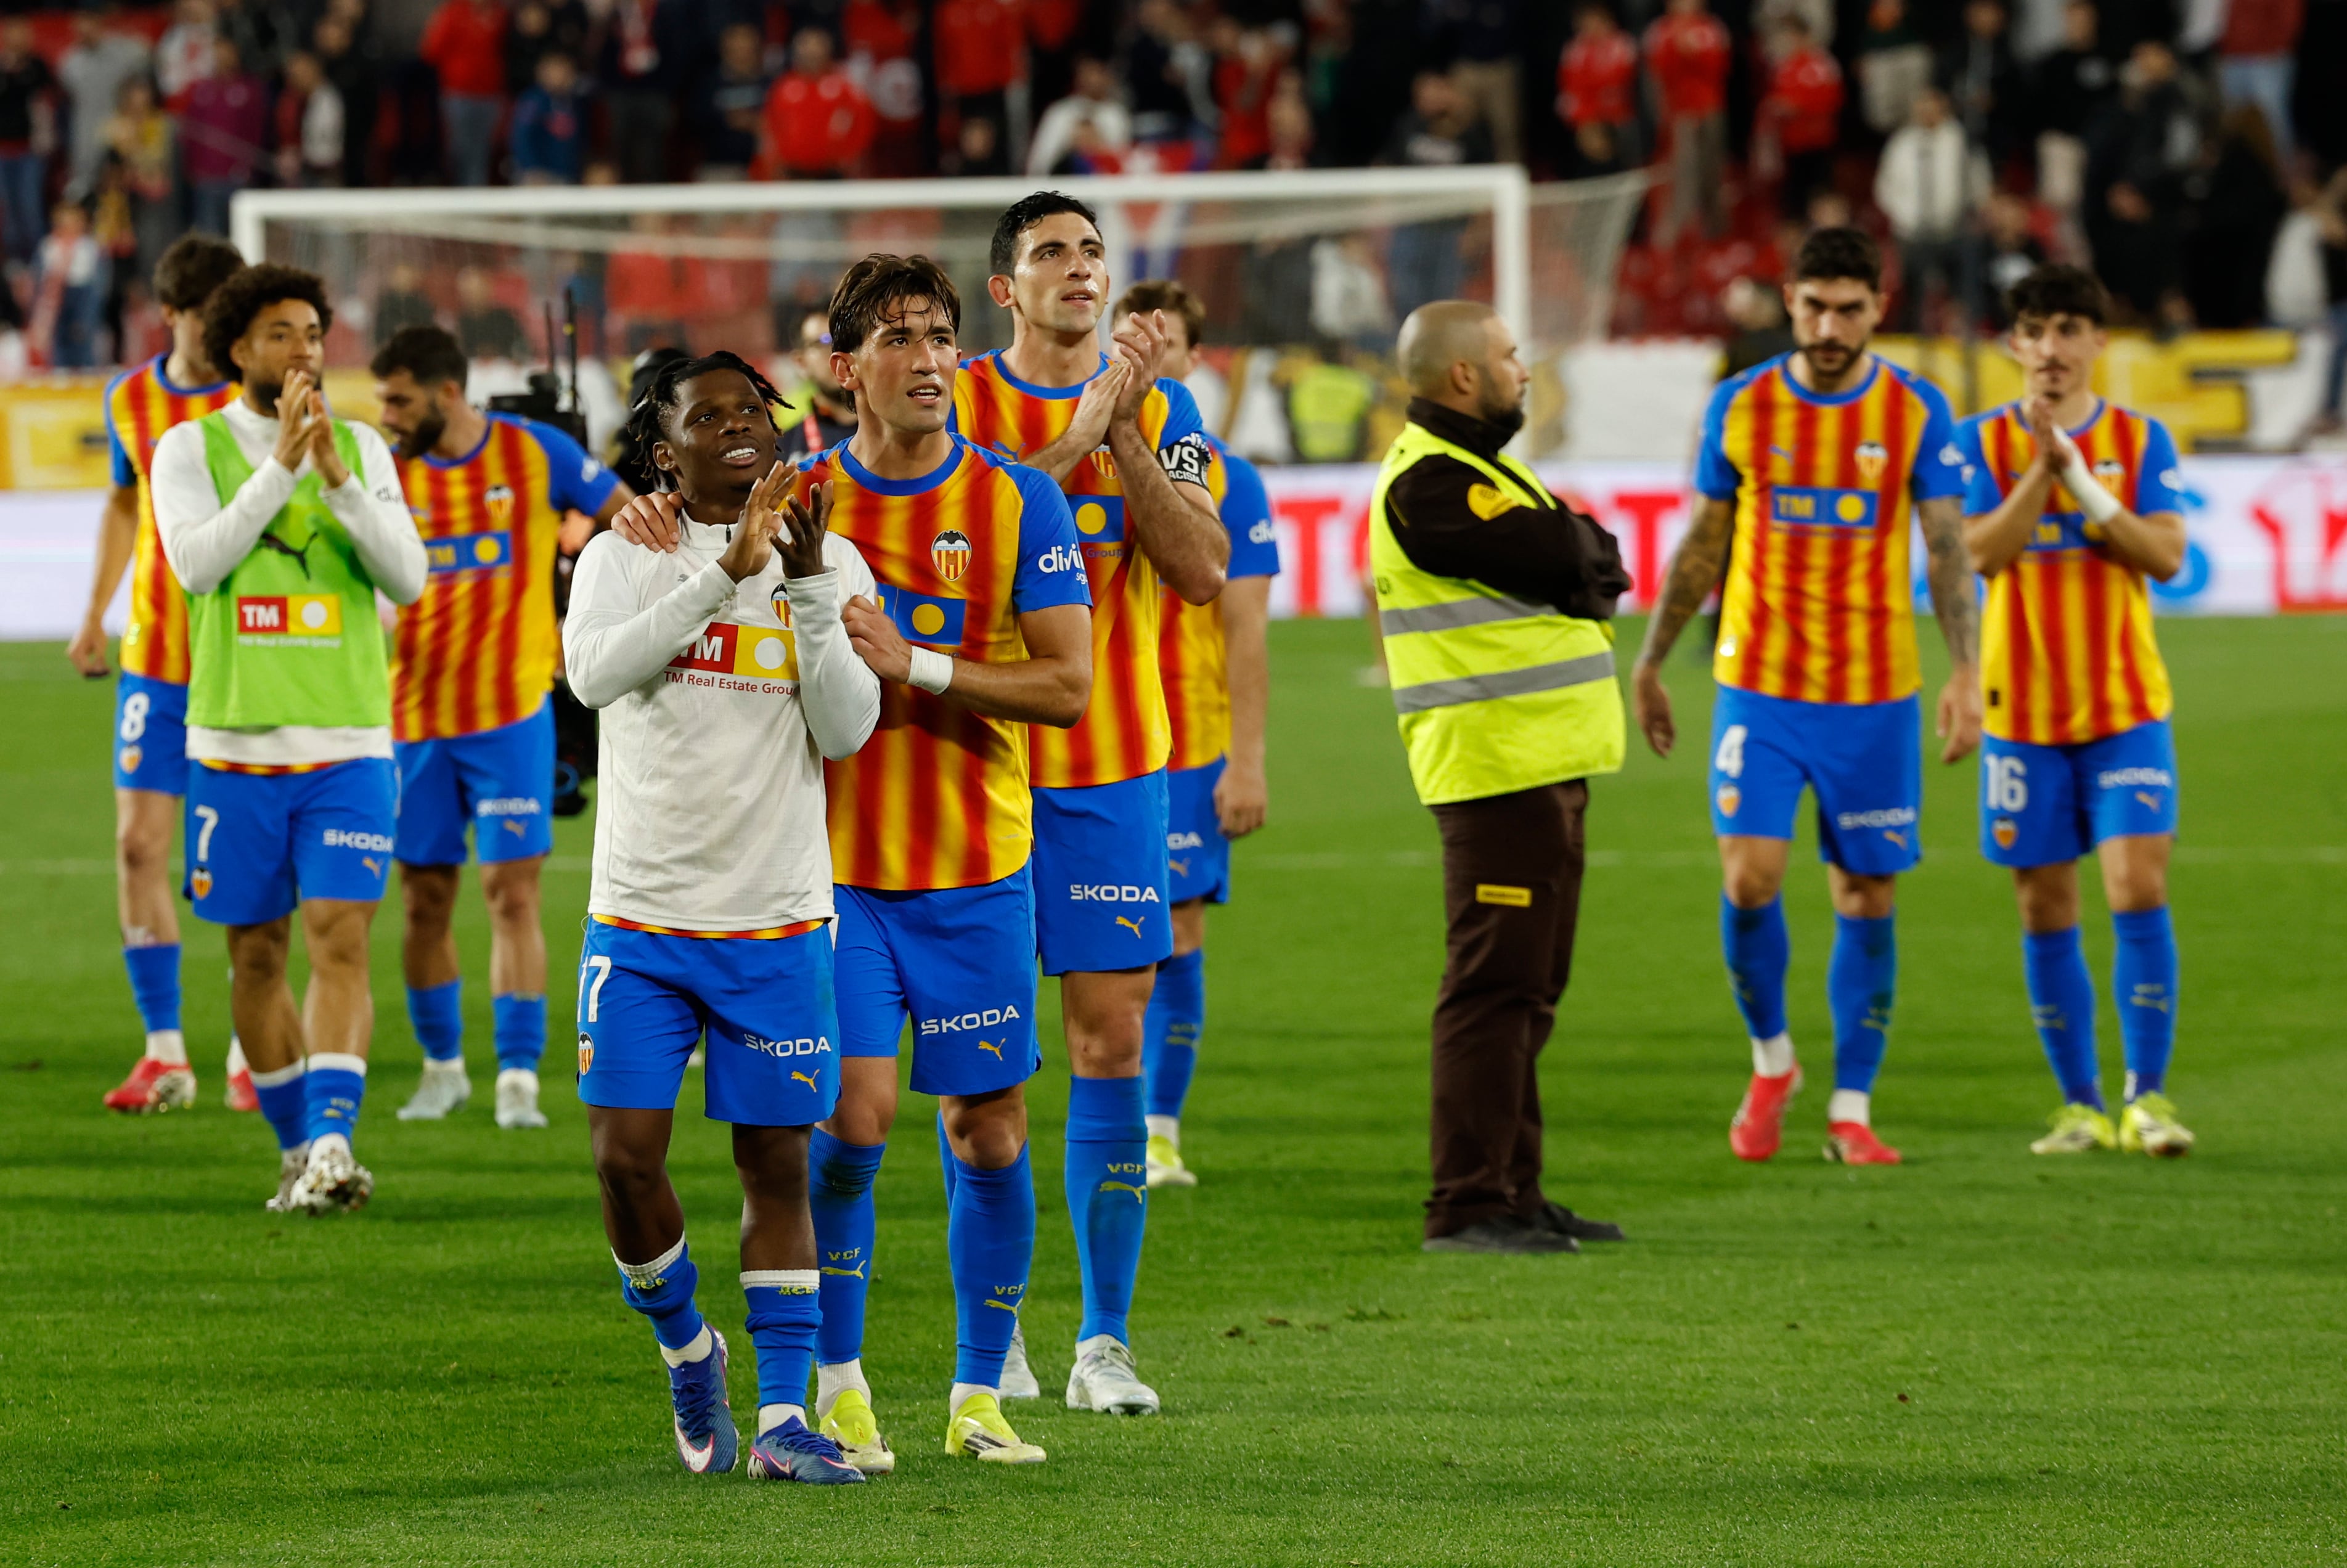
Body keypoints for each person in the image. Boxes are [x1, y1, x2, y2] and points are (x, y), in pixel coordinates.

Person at [604, 255, 1094, 1469]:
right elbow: (683, 528)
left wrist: (915, 663)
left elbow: (1068, 687)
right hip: (831, 879)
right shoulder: (786, 495)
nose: (928, 360)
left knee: (989, 1133)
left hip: (976, 860)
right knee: (851, 1125)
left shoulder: (1018, 501)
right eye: (898, 338)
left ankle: (979, 1393)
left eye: (940, 337)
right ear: (844, 366)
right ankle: (834, 1388)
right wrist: (644, 518)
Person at [563, 351, 876, 1483]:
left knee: (775, 1165)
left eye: (754, 408)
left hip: (776, 918)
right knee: (623, 1159)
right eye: (710, 415)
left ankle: (785, 1417)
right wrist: (718, 578)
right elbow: (592, 676)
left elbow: (844, 729)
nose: (741, 425)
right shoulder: (622, 552)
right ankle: (688, 1347)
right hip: (641, 917)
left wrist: (804, 587)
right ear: (666, 450)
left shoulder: (831, 555)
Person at [952, 191, 1230, 1415]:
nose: (1079, 267)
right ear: (1004, 288)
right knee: (985, 1070)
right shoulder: (953, 401)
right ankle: (994, 1338)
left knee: (1110, 1042)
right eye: (1050, 252)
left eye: (1093, 252)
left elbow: (1203, 568)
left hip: (1113, 774)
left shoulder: (1162, 413)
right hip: (970, 770)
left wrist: (1120, 431)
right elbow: (962, 541)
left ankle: (1102, 1342)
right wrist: (1072, 442)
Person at [1630, 227, 1981, 1167]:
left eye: (1849, 310)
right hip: (1762, 688)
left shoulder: (1914, 408)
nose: (1830, 328)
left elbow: (1949, 547)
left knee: (1865, 893)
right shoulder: (1741, 405)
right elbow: (1705, 540)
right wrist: (1652, 659)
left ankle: (1852, 1109)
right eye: (1815, 307)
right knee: (1750, 878)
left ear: (1878, 309)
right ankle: (1772, 1062)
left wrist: (1966, 672)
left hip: (1875, 697)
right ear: (1790, 301)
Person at [150, 263, 427, 1212]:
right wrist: (280, 469)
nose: (305, 350)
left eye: (313, 332)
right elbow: (197, 566)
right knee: (257, 957)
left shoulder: (362, 448)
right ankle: (296, 1149)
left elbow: (408, 580)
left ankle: (335, 1143)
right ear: (238, 349)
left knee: (339, 939)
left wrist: (339, 481)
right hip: (235, 746)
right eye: (282, 334)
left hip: (349, 742)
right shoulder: (188, 448)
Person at [1367, 300, 1630, 1255]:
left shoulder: (1477, 469)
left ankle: (1516, 1192)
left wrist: (1581, 553)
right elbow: (1569, 552)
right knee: (1493, 989)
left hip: (1536, 764)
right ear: (1465, 376)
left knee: (1528, 987)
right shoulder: (1433, 482)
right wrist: (1579, 552)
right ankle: (1469, 1202)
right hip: (1495, 768)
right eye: (1512, 356)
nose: (1525, 370)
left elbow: (1591, 556)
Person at [1954, 265, 2194, 1158]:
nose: (2050, 348)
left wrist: (2087, 487)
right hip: (2022, 719)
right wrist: (2042, 474)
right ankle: (2081, 1106)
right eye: (2034, 330)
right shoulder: (1977, 444)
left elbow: (2163, 556)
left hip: (2126, 709)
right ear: (2013, 344)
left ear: (2098, 341)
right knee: (2045, 908)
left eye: (2067, 329)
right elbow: (1979, 553)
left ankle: (2148, 1099)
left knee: (2139, 886)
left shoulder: (2140, 439)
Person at [369, 325, 634, 1130]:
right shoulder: (387, 470)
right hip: (414, 721)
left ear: (447, 393)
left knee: (511, 896)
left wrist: (593, 601)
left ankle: (518, 1078)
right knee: (424, 899)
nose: (386, 417)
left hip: (511, 718)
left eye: (399, 401)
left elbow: (630, 520)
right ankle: (442, 1070)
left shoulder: (535, 453)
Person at [1109, 280, 1278, 1190]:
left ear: (1191, 360)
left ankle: (1159, 1129)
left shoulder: (1230, 481)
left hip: (1187, 742)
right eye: (1128, 339)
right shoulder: (1076, 455)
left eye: (1162, 342)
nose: (1146, 355)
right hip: (1086, 735)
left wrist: (1246, 762)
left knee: (1174, 931)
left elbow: (1245, 633)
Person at [78, 234, 247, 1115]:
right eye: (209, 317)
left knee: (242, 861)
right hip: (156, 659)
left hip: (245, 659)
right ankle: (165, 1054)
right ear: (172, 314)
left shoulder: (258, 398)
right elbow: (123, 503)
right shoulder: (129, 399)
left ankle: (255, 1048)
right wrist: (92, 615)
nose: (224, 334)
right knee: (138, 845)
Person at [1644, 0, 1731, 245]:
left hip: (1710, 108)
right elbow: (1657, 72)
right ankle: (1678, 229)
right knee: (1683, 171)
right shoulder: (1661, 30)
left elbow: (1720, 66)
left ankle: (1716, 231)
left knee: (1712, 169)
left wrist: (1693, 54)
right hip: (1679, 113)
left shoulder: (1712, 28)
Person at [420, 0, 508, 189]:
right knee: (459, 147)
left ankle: (477, 191)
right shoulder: (453, 13)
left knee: (483, 149)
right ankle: (459, 190)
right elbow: (431, 50)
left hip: (491, 93)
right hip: (458, 93)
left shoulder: (500, 14)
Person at [776, 306, 859, 462]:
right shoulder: (785, 452)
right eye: (823, 342)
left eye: (843, 338)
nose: (836, 351)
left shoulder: (899, 431)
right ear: (801, 363)